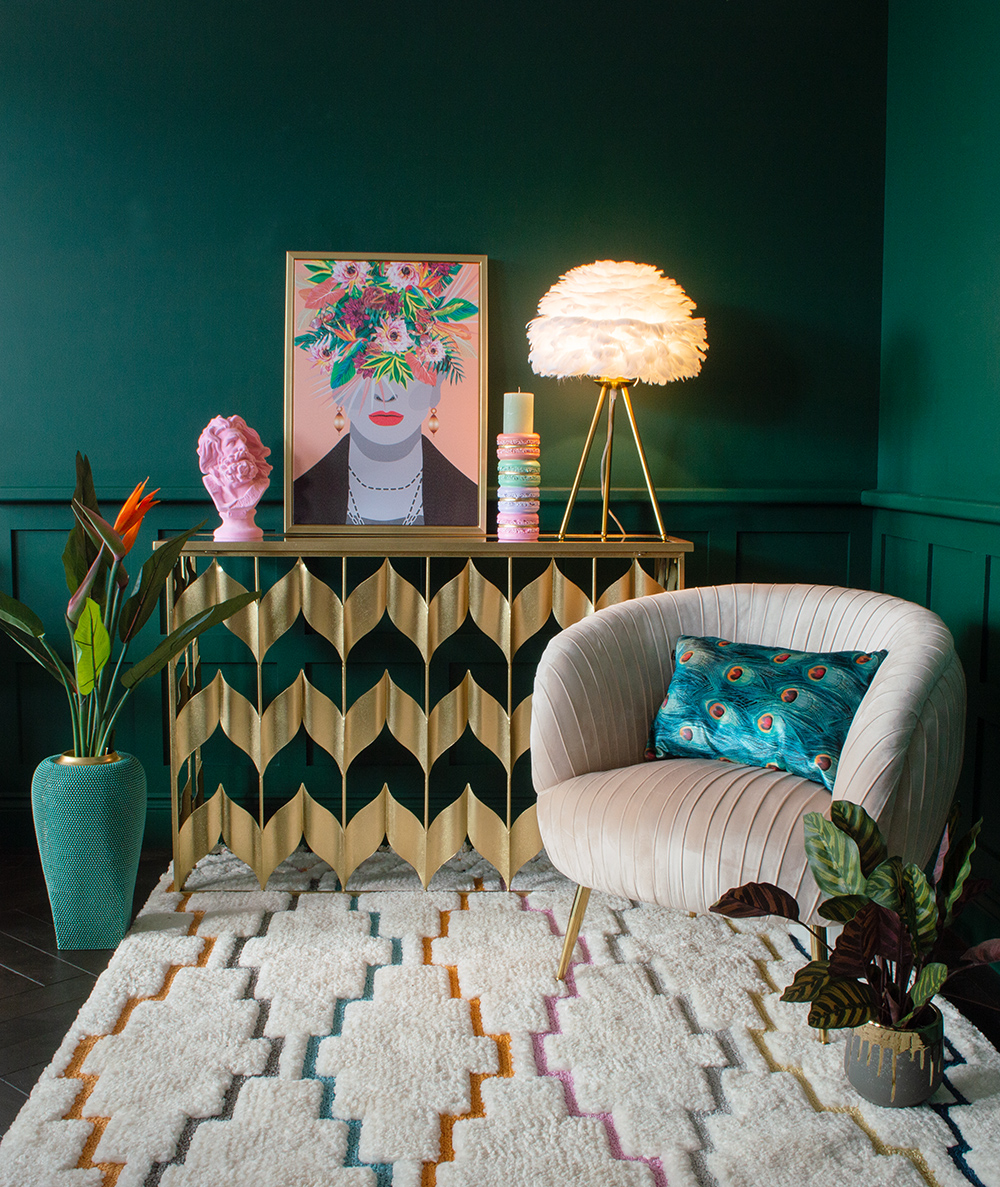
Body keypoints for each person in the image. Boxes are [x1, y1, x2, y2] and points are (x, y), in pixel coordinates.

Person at [291, 259, 478, 527]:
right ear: (338, 387)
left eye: (406, 369)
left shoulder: (469, 500)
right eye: (366, 368)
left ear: (434, 386)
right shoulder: (303, 499)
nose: (385, 395)